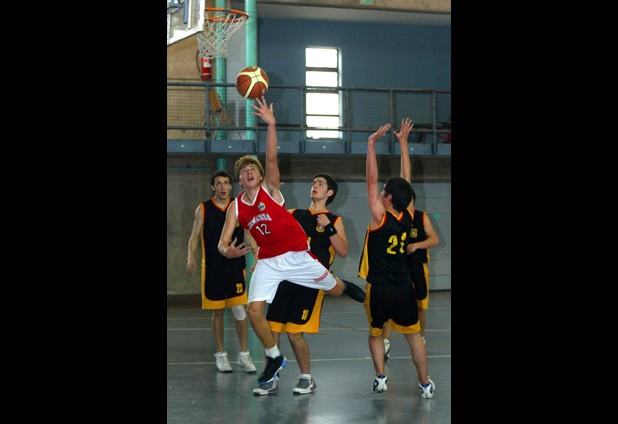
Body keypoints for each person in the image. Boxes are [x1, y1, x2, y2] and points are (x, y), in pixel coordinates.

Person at [217, 97, 365, 393]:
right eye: (244, 171)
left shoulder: (270, 191)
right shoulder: (236, 206)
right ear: (239, 179)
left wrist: (271, 125)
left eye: (253, 169)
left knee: (333, 289)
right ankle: (274, 357)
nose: (249, 172)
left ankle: (345, 285)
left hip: (297, 256)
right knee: (254, 311)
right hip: (269, 262)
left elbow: (271, 158)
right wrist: (227, 251)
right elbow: (222, 241)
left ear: (260, 176)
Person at [358, 118, 435, 398]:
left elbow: (371, 179)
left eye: (383, 191)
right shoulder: (409, 215)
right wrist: (403, 143)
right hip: (404, 288)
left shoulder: (379, 218)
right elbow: (406, 181)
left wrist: (371, 144)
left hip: (379, 288)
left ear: (388, 198)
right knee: (414, 336)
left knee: (376, 334)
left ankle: (380, 378)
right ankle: (425, 384)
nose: (380, 192)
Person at [257, 172, 349, 396]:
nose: (315, 186)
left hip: (310, 283)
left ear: (330, 193)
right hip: (285, 279)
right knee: (273, 329)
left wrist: (329, 227)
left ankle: (306, 378)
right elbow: (272, 228)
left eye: (321, 184)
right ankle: (271, 378)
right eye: (314, 182)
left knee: (294, 333)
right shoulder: (294, 214)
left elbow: (343, 250)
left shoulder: (334, 220)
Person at [186, 170, 257, 374]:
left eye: (226, 183)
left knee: (239, 310)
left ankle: (244, 355)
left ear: (231, 186)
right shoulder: (203, 209)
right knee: (217, 312)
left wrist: (257, 255)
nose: (223, 187)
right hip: (213, 268)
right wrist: (190, 256)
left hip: (235, 267)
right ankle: (221, 355)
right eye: (219, 183)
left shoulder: (239, 206)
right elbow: (194, 236)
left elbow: (249, 233)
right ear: (213, 187)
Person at [382, 119, 440, 357]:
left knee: (419, 304)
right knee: (386, 306)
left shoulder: (411, 215)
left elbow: (405, 178)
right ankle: (385, 341)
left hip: (412, 266)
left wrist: (403, 144)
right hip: (389, 267)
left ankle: (420, 337)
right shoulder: (383, 214)